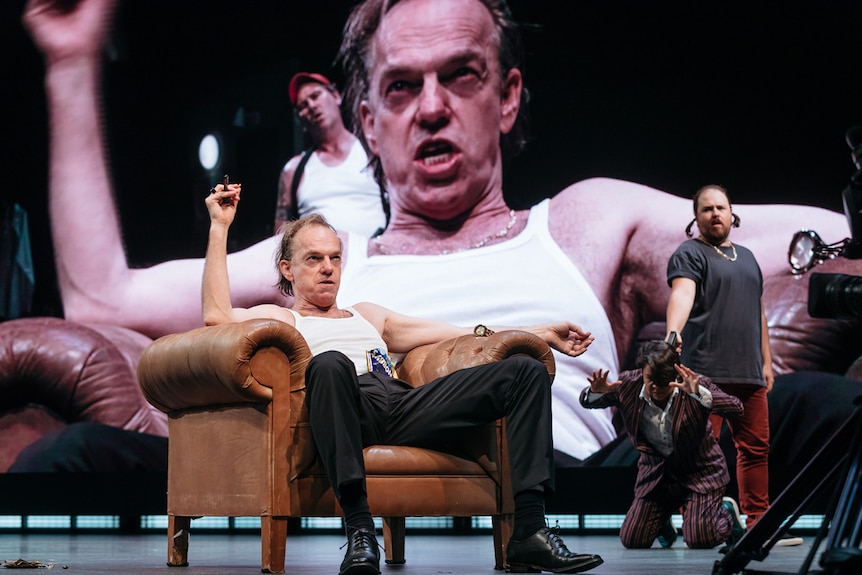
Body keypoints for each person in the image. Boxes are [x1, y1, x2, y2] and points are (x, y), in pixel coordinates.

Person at [21, 0, 862, 467]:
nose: (431, 107)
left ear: (507, 97)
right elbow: (102, 296)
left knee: (815, 408)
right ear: (367, 119)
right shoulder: (317, 256)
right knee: (72, 462)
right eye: (401, 87)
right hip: (341, 488)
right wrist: (69, 61)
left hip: (567, 493)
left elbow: (818, 235)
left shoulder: (583, 221)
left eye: (460, 76)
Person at [204, 181, 604, 574]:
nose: (328, 268)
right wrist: (219, 227)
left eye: (335, 258)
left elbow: (459, 331)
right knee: (328, 362)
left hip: (401, 403)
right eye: (314, 259)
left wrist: (537, 332)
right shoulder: (283, 318)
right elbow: (217, 317)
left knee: (525, 371)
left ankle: (529, 531)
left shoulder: (369, 315)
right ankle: (361, 531)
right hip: (343, 405)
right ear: (287, 269)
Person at [665, 185, 773, 534]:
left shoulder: (748, 257)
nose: (715, 213)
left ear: (732, 213)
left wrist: (767, 363)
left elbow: (758, 314)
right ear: (696, 217)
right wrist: (673, 332)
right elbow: (683, 293)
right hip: (704, 374)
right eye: (707, 208)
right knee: (698, 454)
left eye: (721, 207)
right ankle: (696, 520)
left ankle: (758, 522)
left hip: (748, 373)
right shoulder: (690, 252)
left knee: (755, 450)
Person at [580, 340, 745, 549]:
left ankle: (726, 514)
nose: (657, 387)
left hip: (699, 473)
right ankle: (661, 522)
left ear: (676, 373)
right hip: (657, 477)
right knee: (633, 540)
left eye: (664, 380)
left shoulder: (694, 384)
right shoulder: (628, 385)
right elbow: (588, 402)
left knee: (700, 538)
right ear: (642, 373)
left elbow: (736, 407)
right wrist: (595, 392)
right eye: (651, 379)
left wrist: (699, 394)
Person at [275, 71, 389, 237]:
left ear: (335, 96)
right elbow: (280, 240)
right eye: (303, 106)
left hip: (375, 255)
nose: (312, 106)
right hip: (320, 260)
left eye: (316, 96)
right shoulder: (294, 170)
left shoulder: (373, 150)